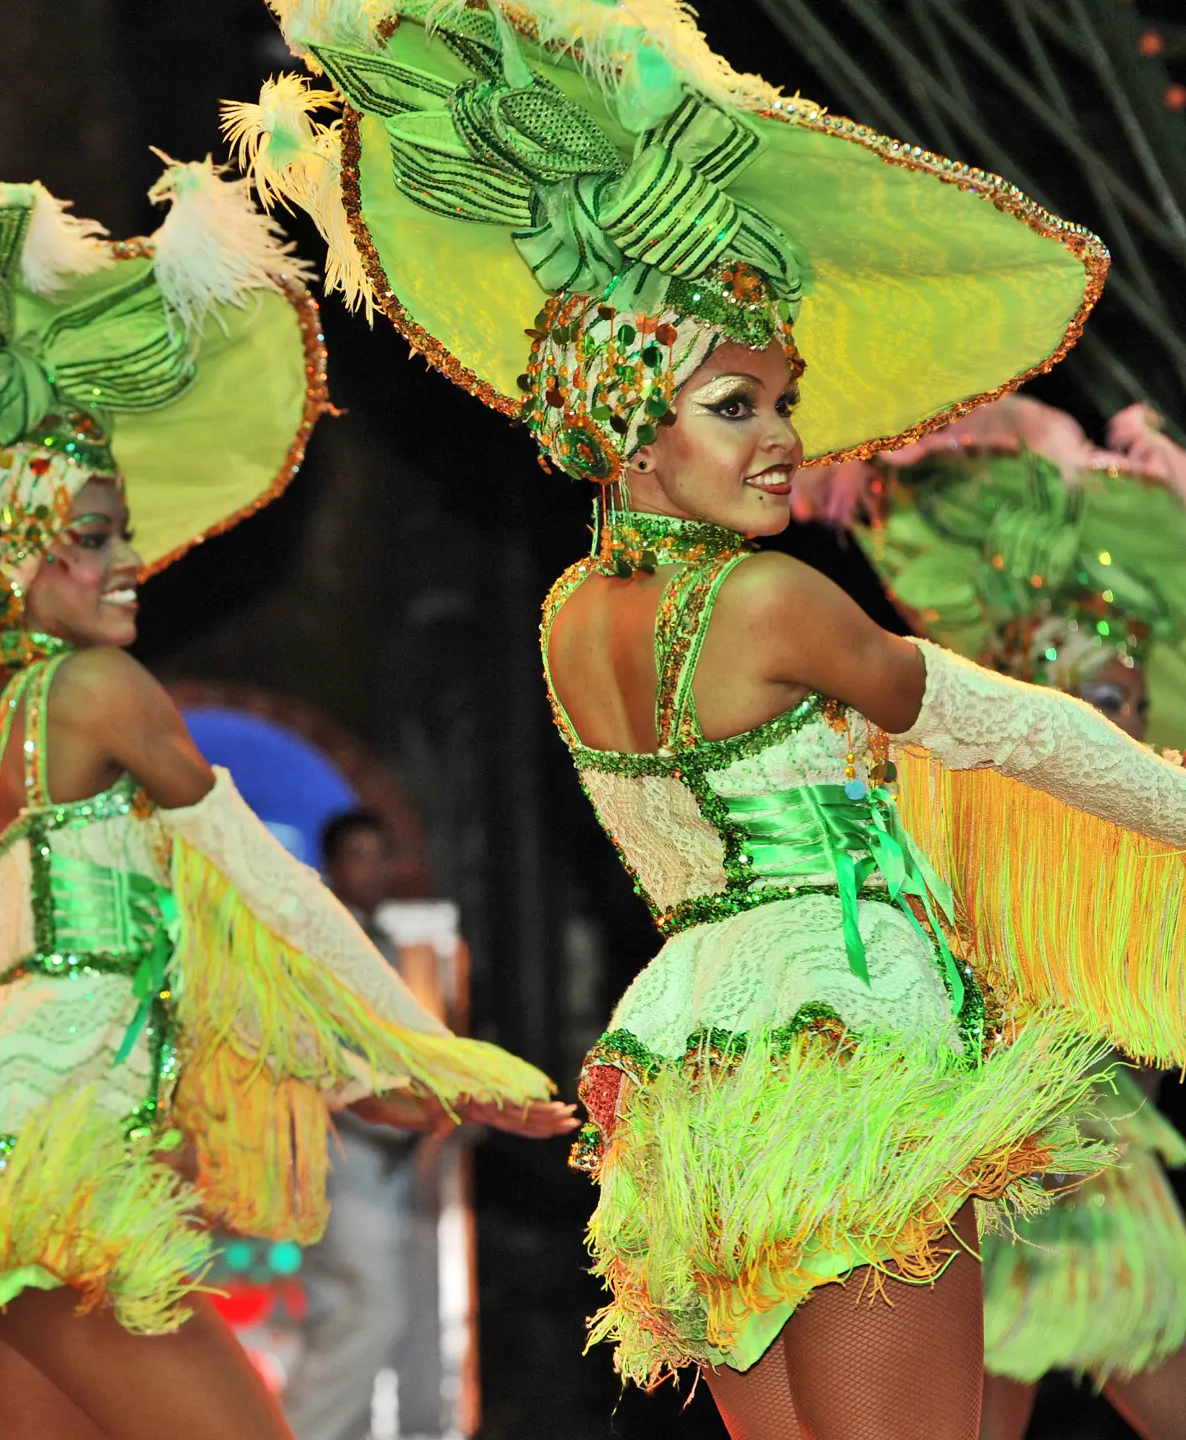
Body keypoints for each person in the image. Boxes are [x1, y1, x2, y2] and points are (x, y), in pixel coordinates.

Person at [234, 3, 1186, 1435]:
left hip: (699, 1067)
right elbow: (1005, 730)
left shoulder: (567, 620)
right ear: (629, 415)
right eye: (737, 403)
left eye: (786, 402)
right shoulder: (767, 602)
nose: (784, 440)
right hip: (848, 1041)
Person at [0, 140, 578, 1440]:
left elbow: (128, 952)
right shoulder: (95, 694)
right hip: (57, 1154)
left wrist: (363, 1075)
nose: (129, 563)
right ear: (6, 547)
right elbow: (256, 884)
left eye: (119, 529)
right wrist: (422, 1054)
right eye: (90, 537)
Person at [798, 395, 1186, 1440]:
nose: (1110, 710)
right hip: (995, 1073)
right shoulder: (981, 733)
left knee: (1091, 1337)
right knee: (991, 1367)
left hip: (1066, 1077)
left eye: (1119, 694)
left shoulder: (1108, 762)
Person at [286, 811, 443, 1440]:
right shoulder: (321, 942)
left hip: (382, 1153)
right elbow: (322, 1058)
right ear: (333, 865)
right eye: (359, 856)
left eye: (382, 856)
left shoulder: (376, 939)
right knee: (369, 1314)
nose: (373, 870)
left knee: (345, 1315)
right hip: (342, 1147)